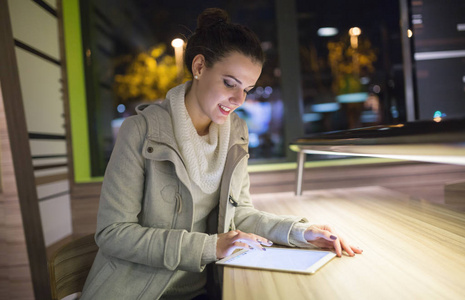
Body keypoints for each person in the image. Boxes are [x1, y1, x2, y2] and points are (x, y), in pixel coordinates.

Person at [81, 8, 362, 300]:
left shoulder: (236, 133)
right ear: (199, 66)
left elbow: (239, 213)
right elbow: (113, 233)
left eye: (248, 89)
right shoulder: (140, 131)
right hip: (140, 292)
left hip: (206, 288)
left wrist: (299, 232)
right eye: (230, 83)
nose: (239, 100)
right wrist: (211, 247)